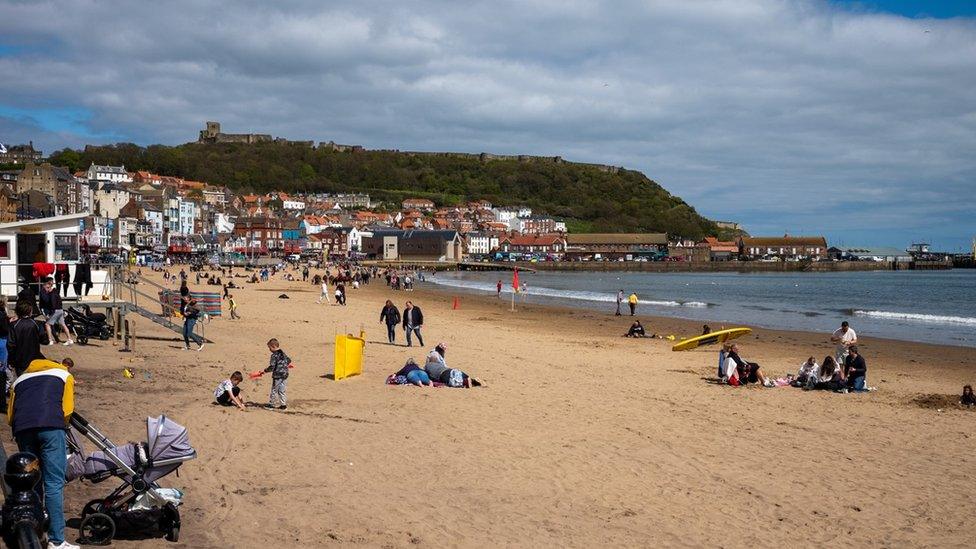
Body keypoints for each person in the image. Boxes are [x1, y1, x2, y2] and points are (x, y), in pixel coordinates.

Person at [7, 355, 77, 549]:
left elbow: (10, 415)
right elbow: (67, 410)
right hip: (50, 428)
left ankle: (37, 535)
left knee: (33, 483)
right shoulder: (63, 374)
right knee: (54, 483)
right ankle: (57, 540)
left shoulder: (19, 380)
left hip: (23, 430)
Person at [8, 300, 44, 376]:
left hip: (20, 360)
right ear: (30, 311)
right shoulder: (37, 324)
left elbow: (11, 344)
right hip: (34, 358)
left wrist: (11, 360)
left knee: (22, 381)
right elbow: (45, 340)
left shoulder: (14, 325)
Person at [39, 277, 73, 346]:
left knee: (47, 324)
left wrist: (52, 311)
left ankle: (50, 340)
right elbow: (59, 301)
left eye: (47, 288)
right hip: (60, 310)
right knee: (63, 324)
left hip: (56, 310)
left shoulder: (52, 294)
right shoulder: (56, 292)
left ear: (48, 287)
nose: (46, 289)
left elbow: (52, 303)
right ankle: (69, 339)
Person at [263, 338, 291, 410]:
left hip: (278, 375)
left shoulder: (274, 355)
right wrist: (285, 365)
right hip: (285, 374)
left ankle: (271, 404)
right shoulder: (283, 353)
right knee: (282, 390)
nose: (269, 350)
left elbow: (272, 366)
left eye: (269, 348)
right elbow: (289, 360)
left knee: (274, 390)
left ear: (273, 346)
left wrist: (265, 371)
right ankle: (283, 405)